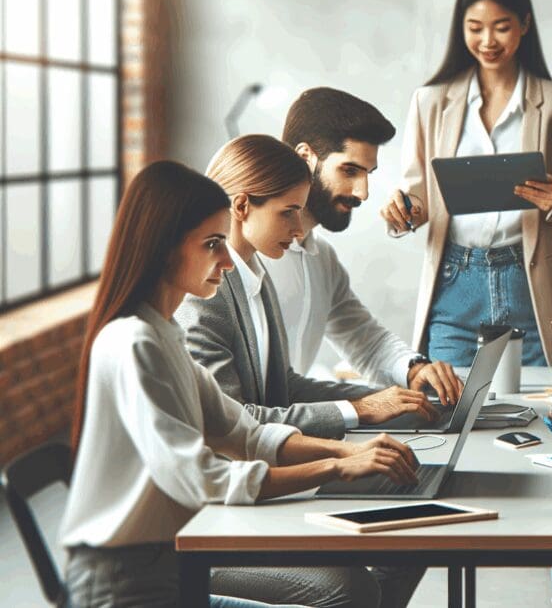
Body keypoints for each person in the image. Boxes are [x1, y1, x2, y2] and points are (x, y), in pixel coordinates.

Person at [60, 160, 423, 608]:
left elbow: (245, 434)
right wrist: (335, 467)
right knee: (347, 596)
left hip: (170, 567)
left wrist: (347, 450)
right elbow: (200, 479)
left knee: (358, 589)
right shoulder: (135, 341)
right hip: (126, 586)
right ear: (163, 247)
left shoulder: (163, 333)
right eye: (213, 244)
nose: (228, 260)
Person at [382, 0, 552, 369]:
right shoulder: (431, 102)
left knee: (539, 412)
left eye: (502, 27)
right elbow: (419, 197)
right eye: (475, 27)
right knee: (449, 408)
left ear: (525, 24)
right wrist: (402, 211)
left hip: (528, 282)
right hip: (456, 281)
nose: (487, 40)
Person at [178, 135, 438, 440]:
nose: (298, 229)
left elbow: (285, 388)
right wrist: (359, 409)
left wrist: (387, 397)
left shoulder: (255, 275)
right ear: (242, 205)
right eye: (288, 212)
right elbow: (232, 422)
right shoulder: (203, 296)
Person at [262, 87, 463, 405]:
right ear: (304, 157)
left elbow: (363, 338)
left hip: (296, 431)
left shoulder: (322, 258)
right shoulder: (241, 257)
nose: (363, 193)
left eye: (367, 174)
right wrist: (360, 409)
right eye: (349, 170)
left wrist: (414, 370)